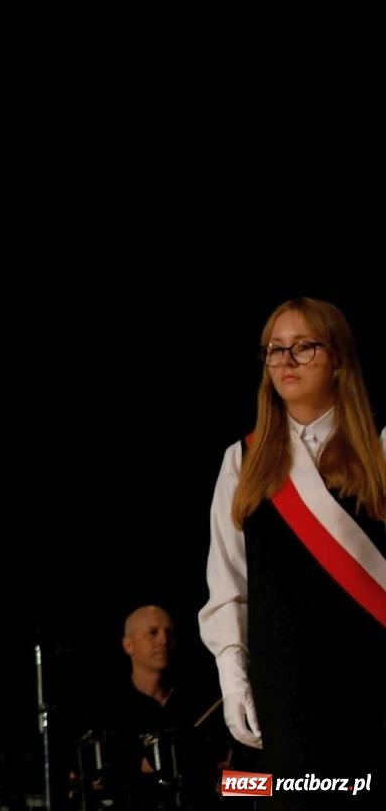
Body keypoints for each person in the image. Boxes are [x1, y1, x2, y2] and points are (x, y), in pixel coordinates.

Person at [199, 297, 386, 805]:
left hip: (373, 686)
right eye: (274, 350)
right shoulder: (241, 460)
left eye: (304, 347)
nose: (285, 361)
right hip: (286, 693)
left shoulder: (383, 448)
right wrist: (234, 679)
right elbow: (228, 586)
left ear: (340, 358)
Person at [73, 605, 223, 811]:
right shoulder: (104, 711)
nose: (163, 640)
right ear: (128, 645)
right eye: (153, 633)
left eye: (169, 633)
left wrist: (232, 783)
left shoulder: (203, 700)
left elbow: (245, 784)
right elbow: (94, 784)